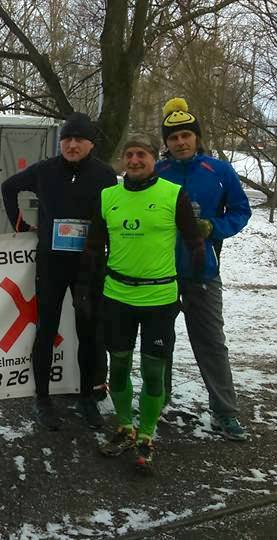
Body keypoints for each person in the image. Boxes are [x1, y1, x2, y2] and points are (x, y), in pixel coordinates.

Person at [81, 133, 204, 475]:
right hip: (117, 296)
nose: (134, 161)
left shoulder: (173, 194)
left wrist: (194, 286)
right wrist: (84, 287)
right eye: (129, 155)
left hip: (159, 299)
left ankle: (146, 436)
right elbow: (94, 247)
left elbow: (194, 242)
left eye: (142, 155)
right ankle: (124, 427)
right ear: (123, 160)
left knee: (153, 371)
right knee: (119, 366)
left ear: (154, 159)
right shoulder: (108, 196)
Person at [1, 112, 117, 430]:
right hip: (51, 262)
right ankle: (43, 398)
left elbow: (114, 212)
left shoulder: (105, 175)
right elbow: (9, 187)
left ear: (91, 144)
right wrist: (22, 226)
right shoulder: (45, 170)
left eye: (79, 139)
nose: (72, 145)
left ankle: (86, 397)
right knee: (47, 330)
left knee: (88, 333)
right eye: (67, 139)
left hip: (88, 265)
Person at [156, 98, 252, 441]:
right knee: (159, 341)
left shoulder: (219, 171)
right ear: (166, 143)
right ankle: (156, 401)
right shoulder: (157, 172)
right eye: (173, 137)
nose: (181, 142)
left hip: (203, 271)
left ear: (196, 137)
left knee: (211, 342)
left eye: (186, 135)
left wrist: (214, 228)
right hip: (160, 272)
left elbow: (241, 210)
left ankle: (224, 412)